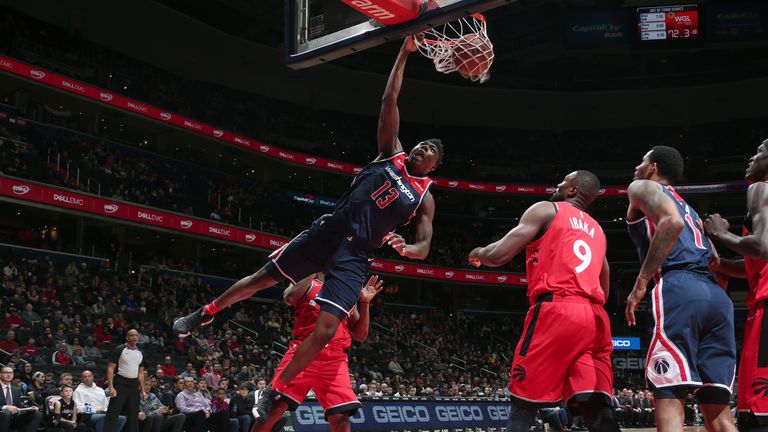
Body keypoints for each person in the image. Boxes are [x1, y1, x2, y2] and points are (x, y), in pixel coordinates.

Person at [174, 36, 440, 414]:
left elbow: (424, 247)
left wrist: (406, 249)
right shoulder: (390, 154)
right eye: (422, 144)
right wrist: (404, 52)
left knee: (328, 328)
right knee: (261, 279)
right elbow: (388, 101)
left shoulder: (424, 196)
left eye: (430, 152)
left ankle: (274, 389)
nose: (422, 149)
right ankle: (206, 313)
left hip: (357, 253)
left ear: (433, 168)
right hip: (329, 230)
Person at [468, 170, 618, 432]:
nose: (556, 185)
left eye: (562, 182)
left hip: (557, 309)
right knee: (597, 410)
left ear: (572, 190)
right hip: (595, 318)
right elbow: (604, 288)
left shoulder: (547, 209)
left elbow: (499, 255)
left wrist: (480, 252)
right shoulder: (597, 230)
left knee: (524, 406)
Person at [624, 146, 737, 432]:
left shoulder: (642, 186)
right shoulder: (692, 210)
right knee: (719, 414)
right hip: (715, 296)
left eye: (641, 161)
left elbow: (670, 223)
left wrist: (641, 282)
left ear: (652, 169)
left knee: (669, 392)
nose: (636, 168)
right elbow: (714, 260)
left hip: (678, 287)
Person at [252, 274, 383, 432]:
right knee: (274, 409)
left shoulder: (345, 288)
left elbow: (360, 335)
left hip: (335, 358)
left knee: (341, 418)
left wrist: (365, 302)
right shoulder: (309, 279)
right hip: (304, 351)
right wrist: (312, 266)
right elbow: (290, 297)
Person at [703, 140, 768, 432]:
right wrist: (722, 264)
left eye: (758, 153)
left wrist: (719, 234)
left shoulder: (761, 188)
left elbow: (762, 248)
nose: (751, 158)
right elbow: (756, 265)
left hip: (766, 307)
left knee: (758, 411)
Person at [105, 329, 147, 432]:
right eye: (131, 335)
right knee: (113, 412)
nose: (134, 337)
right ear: (127, 337)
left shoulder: (141, 352)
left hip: (133, 385)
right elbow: (110, 368)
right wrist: (111, 387)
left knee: (133, 414)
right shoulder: (119, 349)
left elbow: (141, 373)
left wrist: (143, 390)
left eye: (136, 335)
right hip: (120, 383)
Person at [0, 365, 42, 432]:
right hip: (2, 415)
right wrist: (5, 407)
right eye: (6, 372)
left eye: (11, 373)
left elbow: (18, 405)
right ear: (0, 374)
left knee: (37, 413)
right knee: (6, 414)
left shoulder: (16, 390)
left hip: (14, 416)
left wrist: (29, 408)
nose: (9, 375)